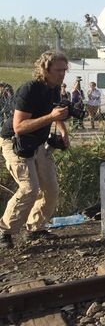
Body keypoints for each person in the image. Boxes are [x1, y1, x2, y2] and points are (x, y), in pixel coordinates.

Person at [0, 51, 70, 249]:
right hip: (15, 141)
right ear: (45, 69)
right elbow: (19, 127)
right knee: (29, 188)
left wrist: (63, 131)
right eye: (58, 70)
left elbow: (55, 111)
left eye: (64, 70)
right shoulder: (30, 89)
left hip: (38, 143)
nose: (62, 74)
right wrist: (51, 117)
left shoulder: (54, 88)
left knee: (51, 188)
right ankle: (4, 231)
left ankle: (35, 227)